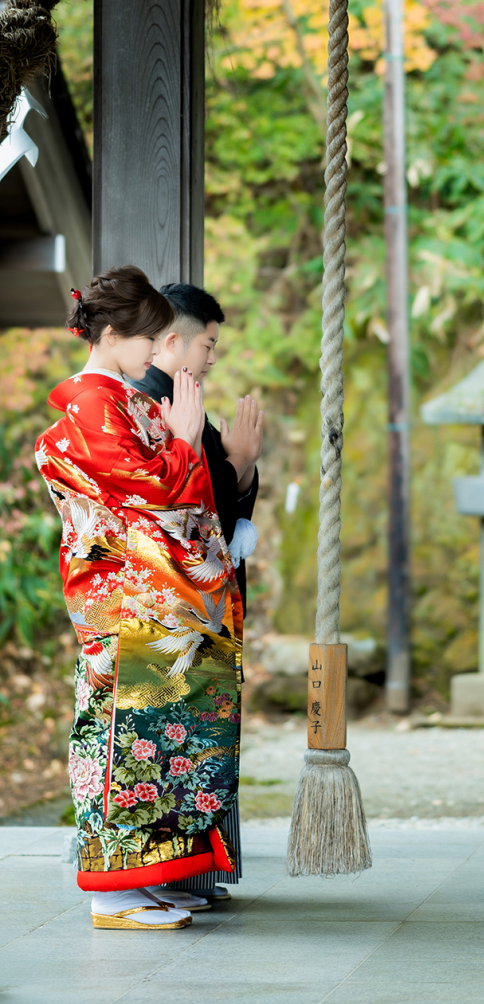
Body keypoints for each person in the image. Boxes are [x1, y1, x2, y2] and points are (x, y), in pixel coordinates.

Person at [35, 266, 243, 930]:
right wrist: (185, 440)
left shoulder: (123, 399)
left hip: (158, 600)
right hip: (128, 599)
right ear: (116, 333)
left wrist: (189, 448)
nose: (158, 353)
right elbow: (152, 495)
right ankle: (112, 892)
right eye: (149, 340)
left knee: (169, 744)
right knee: (127, 742)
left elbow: (179, 494)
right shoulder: (95, 404)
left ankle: (150, 879)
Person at [131, 282, 263, 903]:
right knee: (171, 741)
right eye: (207, 345)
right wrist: (219, 462)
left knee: (201, 740)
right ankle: (163, 876)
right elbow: (163, 512)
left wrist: (238, 466)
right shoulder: (139, 407)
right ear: (171, 339)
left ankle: (196, 873)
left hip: (201, 596)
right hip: (164, 603)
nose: (212, 358)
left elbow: (214, 507)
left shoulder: (184, 404)